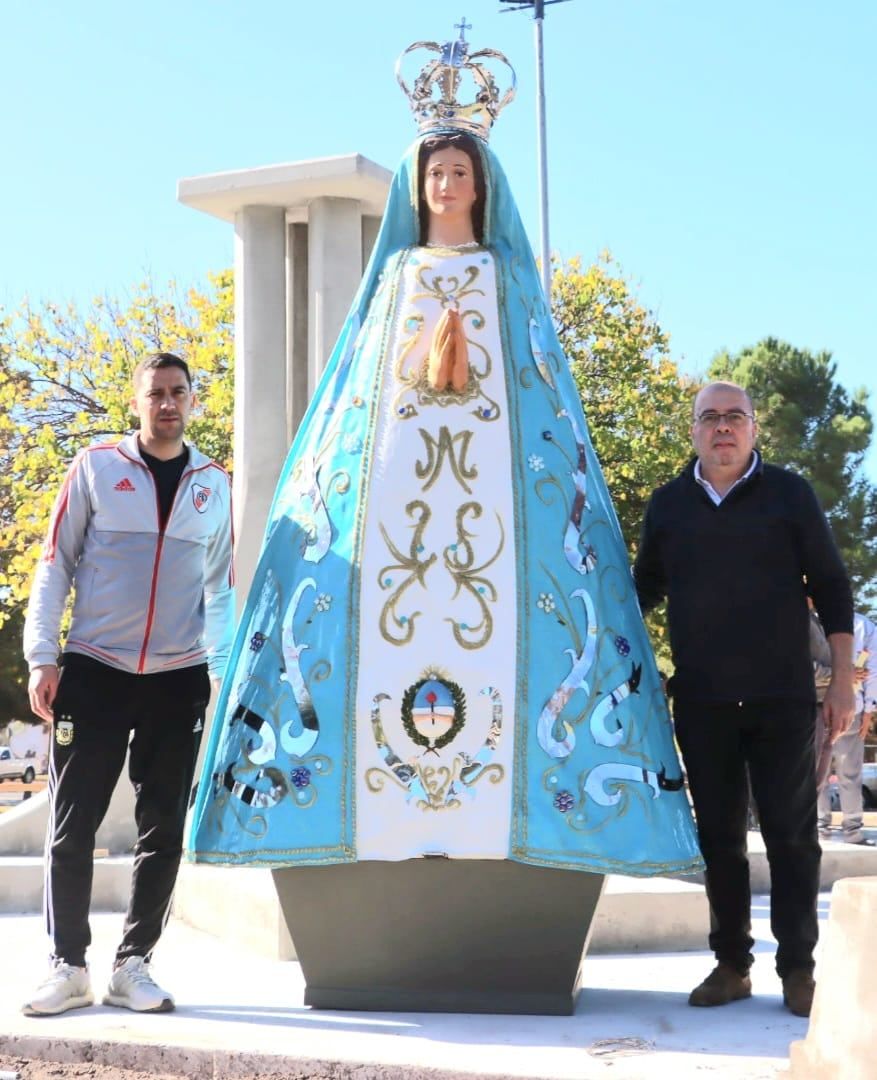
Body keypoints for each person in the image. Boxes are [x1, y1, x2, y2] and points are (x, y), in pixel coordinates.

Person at [187, 29, 702, 882]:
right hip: (397, 509)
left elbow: (535, 395)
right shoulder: (395, 279)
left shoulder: (506, 280)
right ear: (416, 185)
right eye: (436, 173)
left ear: (481, 185)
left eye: (461, 172)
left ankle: (515, 814)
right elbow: (360, 398)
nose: (448, 184)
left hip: (496, 507)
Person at [21, 352, 235, 1017]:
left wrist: (223, 673)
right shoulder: (94, 467)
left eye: (178, 392)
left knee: (163, 827)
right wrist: (42, 656)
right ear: (136, 402)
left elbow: (221, 589)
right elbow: (55, 565)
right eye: (156, 393)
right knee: (72, 823)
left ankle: (133, 965)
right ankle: (68, 967)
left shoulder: (213, 484)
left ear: (192, 401)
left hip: (177, 677)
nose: (167, 403)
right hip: (94, 670)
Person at [633, 380, 855, 1018]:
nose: (723, 427)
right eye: (710, 417)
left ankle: (799, 972)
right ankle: (732, 965)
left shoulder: (790, 494)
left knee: (792, 837)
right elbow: (640, 591)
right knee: (719, 839)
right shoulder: (668, 505)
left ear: (755, 428)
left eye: (735, 416)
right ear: (694, 430)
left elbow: (832, 585)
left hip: (782, 697)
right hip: (702, 700)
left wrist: (842, 680)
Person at [814, 609, 877, 845]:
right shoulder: (863, 625)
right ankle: (851, 829)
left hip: (819, 702)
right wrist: (869, 710)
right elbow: (872, 672)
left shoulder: (811, 621)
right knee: (848, 772)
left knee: (817, 770)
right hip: (849, 703)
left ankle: (820, 825)